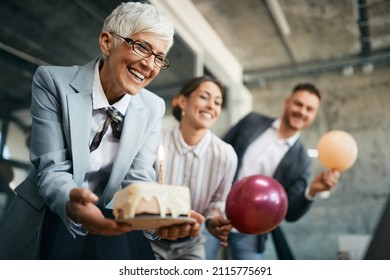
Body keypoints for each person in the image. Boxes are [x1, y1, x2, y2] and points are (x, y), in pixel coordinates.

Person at [0, 2, 204, 260]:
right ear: (107, 43)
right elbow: (51, 169)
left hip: (105, 221)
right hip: (48, 213)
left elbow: (138, 179)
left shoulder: (152, 106)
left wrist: (158, 221)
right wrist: (72, 204)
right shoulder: (52, 82)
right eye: (142, 47)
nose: (149, 65)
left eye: (159, 57)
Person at [205, 83, 340, 260]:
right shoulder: (252, 121)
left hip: (251, 231)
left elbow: (289, 213)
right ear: (287, 103)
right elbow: (218, 152)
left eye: (309, 109)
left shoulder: (302, 161)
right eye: (298, 104)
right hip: (213, 214)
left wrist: (312, 191)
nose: (302, 111)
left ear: (314, 115)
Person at [150, 75, 238, 260]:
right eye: (204, 97)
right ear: (182, 101)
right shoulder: (154, 140)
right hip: (149, 238)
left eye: (218, 102)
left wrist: (214, 220)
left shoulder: (226, 155)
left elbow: (217, 201)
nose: (211, 106)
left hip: (191, 244)